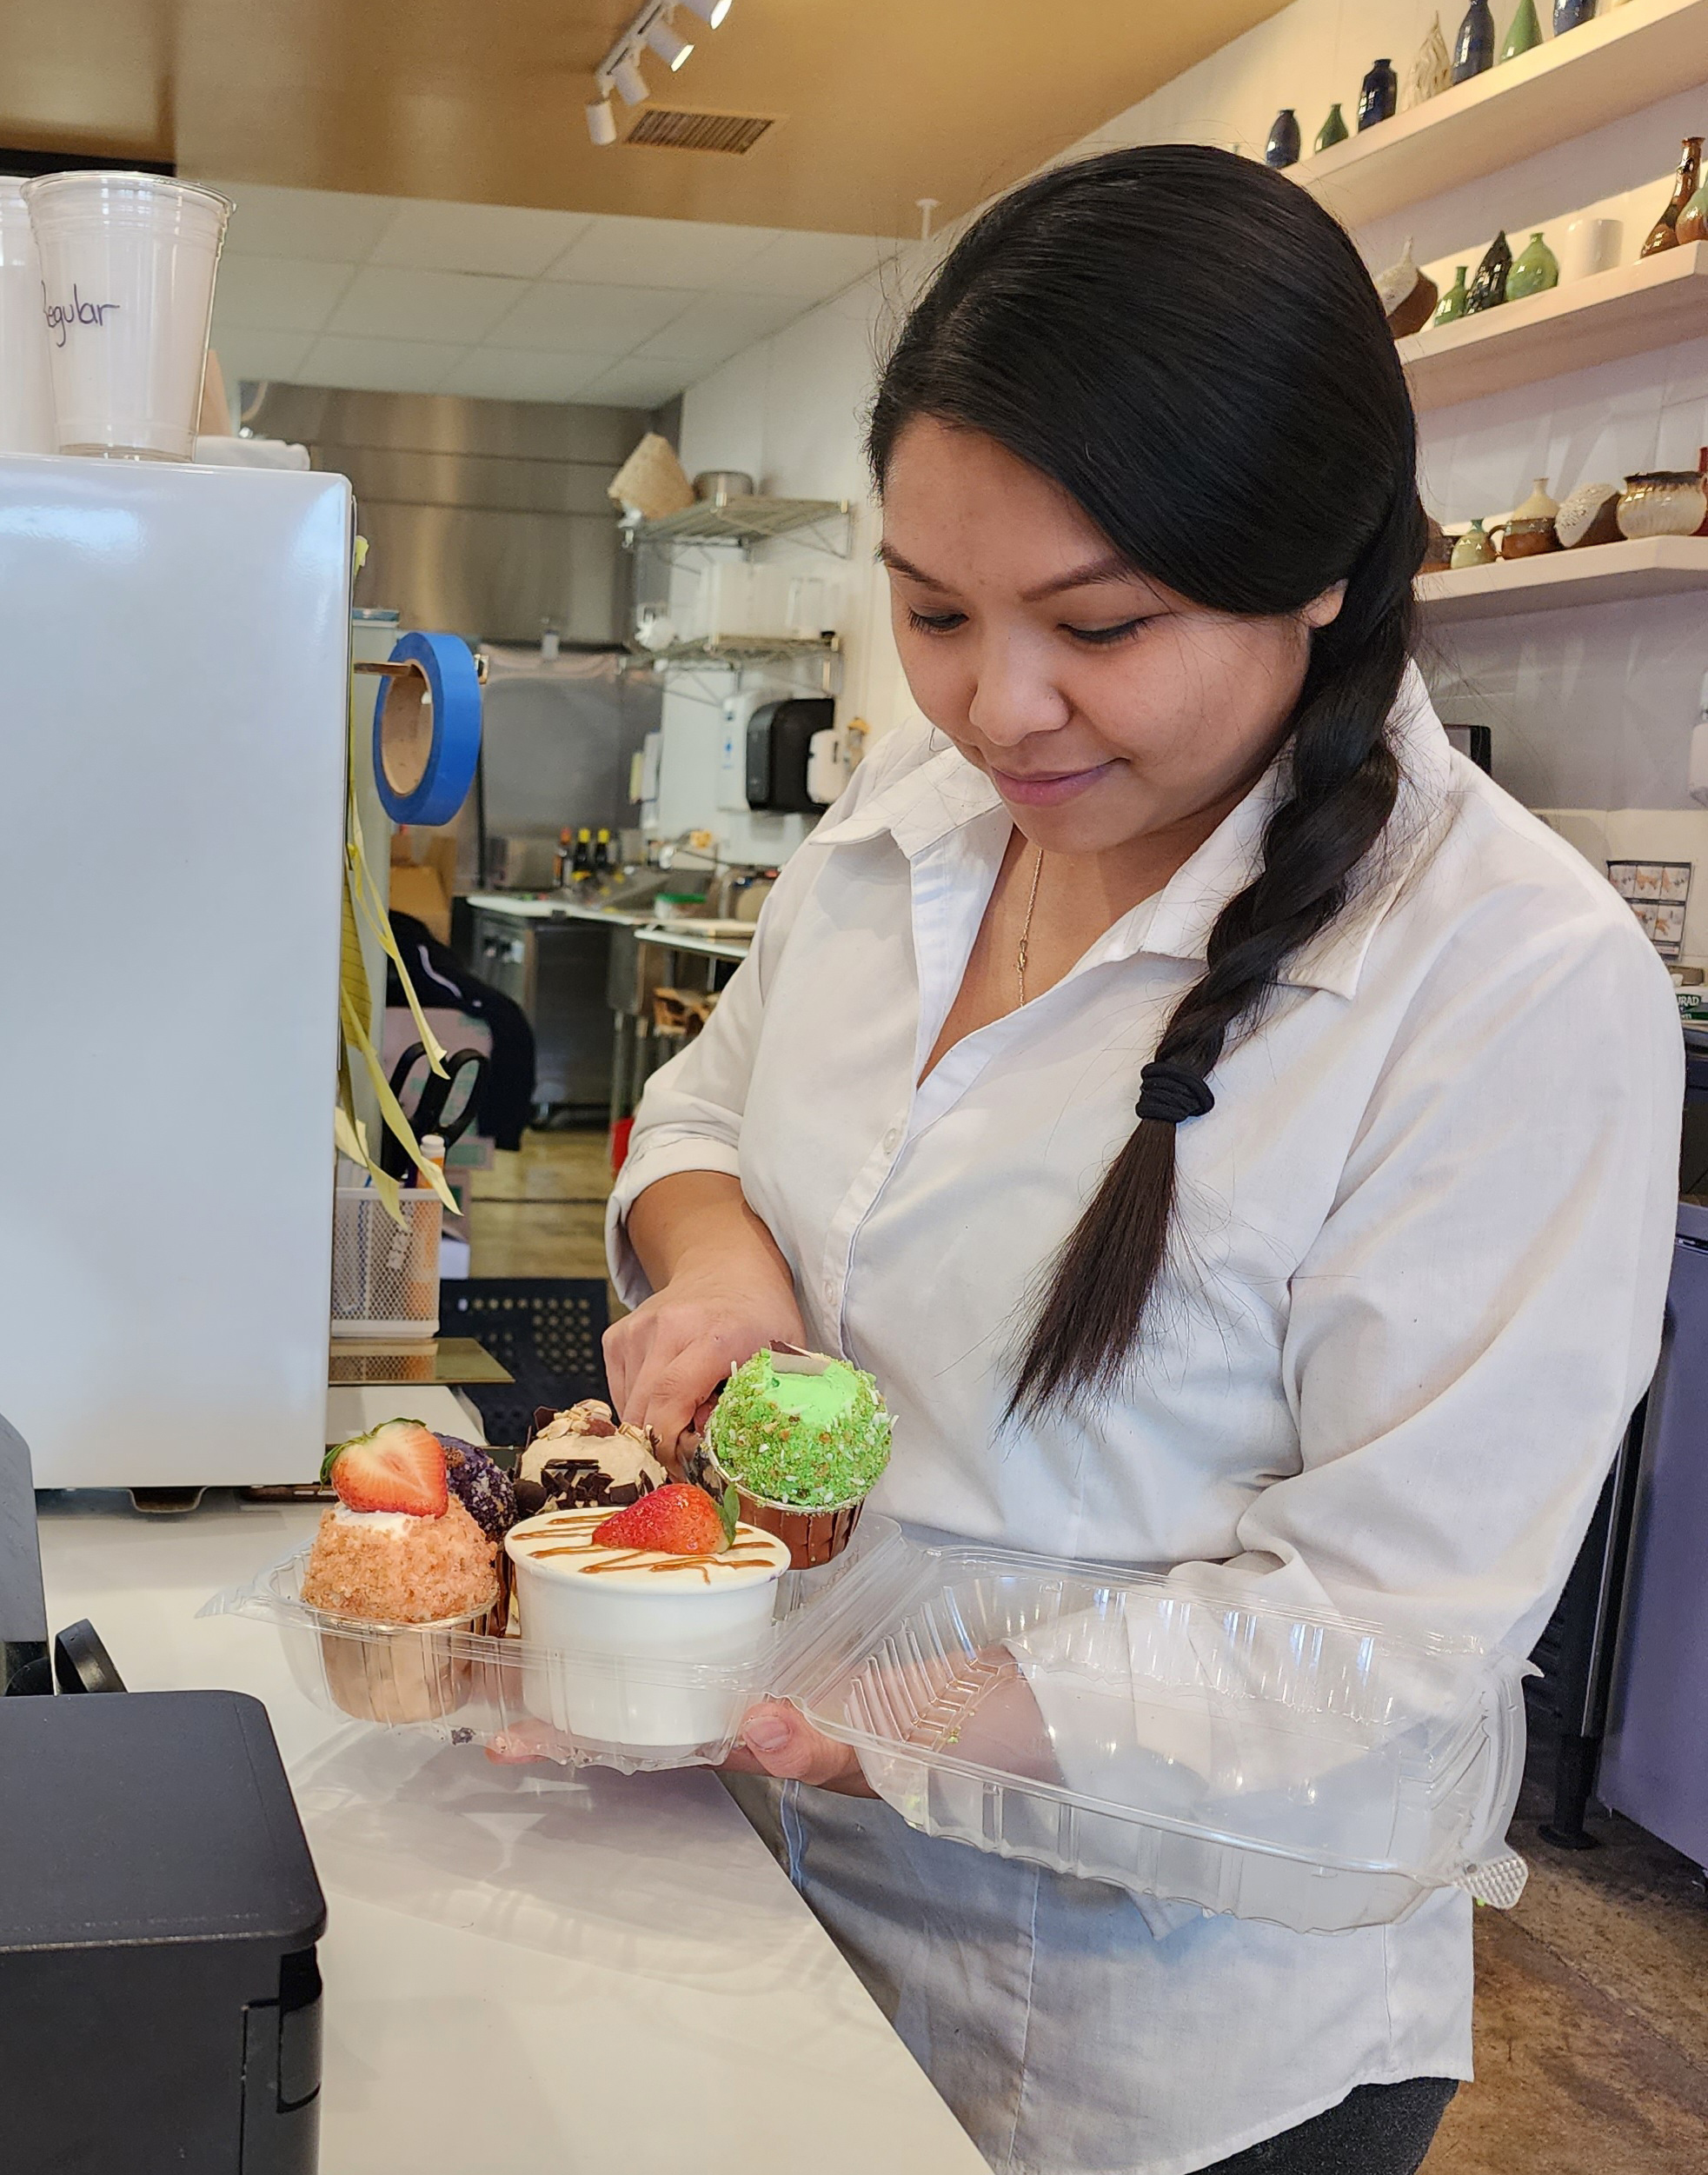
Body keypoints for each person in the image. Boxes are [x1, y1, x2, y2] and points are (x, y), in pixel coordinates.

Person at [601, 148, 1681, 2175]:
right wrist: (724, 1271)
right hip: (769, 1902)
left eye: (1097, 624)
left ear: (1320, 574)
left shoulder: (1504, 985)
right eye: (931, 612)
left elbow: (1379, 1627)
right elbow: (704, 1117)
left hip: (1143, 2050)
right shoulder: (900, 826)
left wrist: (891, 1720)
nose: (995, 705)